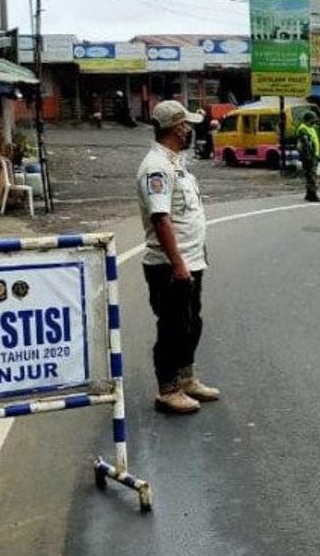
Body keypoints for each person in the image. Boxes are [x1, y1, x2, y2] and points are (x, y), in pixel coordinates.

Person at [136, 100, 220, 414]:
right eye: (186, 125)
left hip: (190, 260)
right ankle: (167, 389)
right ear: (176, 128)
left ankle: (186, 378)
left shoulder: (175, 163)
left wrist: (194, 258)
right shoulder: (155, 167)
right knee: (172, 327)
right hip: (169, 266)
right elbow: (161, 219)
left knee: (190, 324)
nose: (190, 131)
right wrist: (179, 264)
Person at [296, 111, 320, 202]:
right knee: (312, 176)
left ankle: (308, 194)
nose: (314, 122)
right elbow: (306, 145)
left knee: (310, 175)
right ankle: (313, 196)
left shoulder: (311, 128)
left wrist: (317, 155)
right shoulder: (303, 129)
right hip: (308, 157)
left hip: (314, 155)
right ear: (307, 120)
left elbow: (314, 142)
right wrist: (309, 157)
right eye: (312, 120)